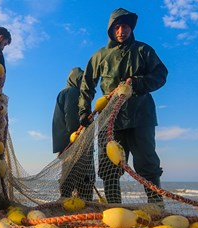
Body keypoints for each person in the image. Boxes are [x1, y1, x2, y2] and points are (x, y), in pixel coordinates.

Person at [78, 8, 168, 204]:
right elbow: (87, 85)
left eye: (125, 26)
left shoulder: (144, 51)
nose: (121, 31)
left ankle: (157, 207)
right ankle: (113, 207)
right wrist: (84, 110)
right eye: (117, 27)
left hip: (141, 116)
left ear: (131, 28)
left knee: (147, 164)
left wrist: (139, 83)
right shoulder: (99, 56)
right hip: (110, 119)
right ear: (111, 30)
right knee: (109, 166)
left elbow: (161, 75)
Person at [52, 67, 94, 200]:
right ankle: (84, 203)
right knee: (83, 175)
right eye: (83, 80)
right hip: (73, 141)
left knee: (68, 173)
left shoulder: (64, 92)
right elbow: (70, 116)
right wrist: (77, 136)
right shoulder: (73, 92)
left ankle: (66, 200)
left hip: (65, 142)